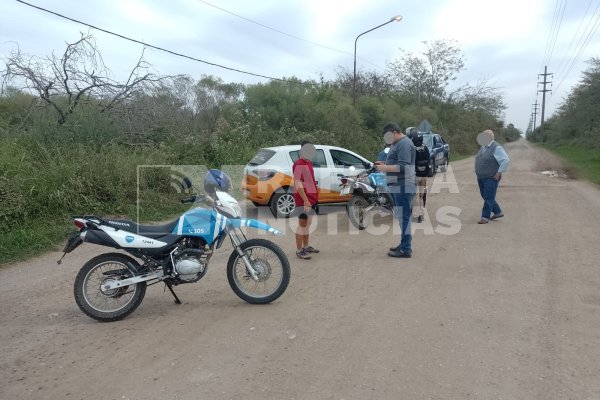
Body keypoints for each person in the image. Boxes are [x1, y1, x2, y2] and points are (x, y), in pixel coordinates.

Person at [375, 123, 416, 258]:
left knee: (404, 217)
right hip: (398, 184)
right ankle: (404, 244)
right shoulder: (397, 143)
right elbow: (396, 163)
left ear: (394, 132)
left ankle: (405, 249)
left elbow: (403, 167)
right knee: (401, 217)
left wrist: (384, 169)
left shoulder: (404, 144)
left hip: (403, 185)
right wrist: (384, 164)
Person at [474, 129, 510, 224]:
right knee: (485, 196)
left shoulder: (496, 147)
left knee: (488, 197)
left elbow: (505, 160)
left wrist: (499, 173)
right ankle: (498, 212)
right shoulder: (484, 147)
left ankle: (485, 217)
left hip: (491, 177)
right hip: (481, 176)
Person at [292, 140, 320, 259]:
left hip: (311, 198)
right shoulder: (299, 164)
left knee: (308, 224)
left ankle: (306, 246)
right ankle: (299, 250)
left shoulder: (308, 162)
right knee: (302, 225)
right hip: (303, 200)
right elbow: (298, 183)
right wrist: (305, 200)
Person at [412, 133, 430, 223]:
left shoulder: (413, 149)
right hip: (424, 176)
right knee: (421, 196)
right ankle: (422, 215)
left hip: (416, 176)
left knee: (416, 196)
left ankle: (416, 216)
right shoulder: (425, 148)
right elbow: (429, 160)